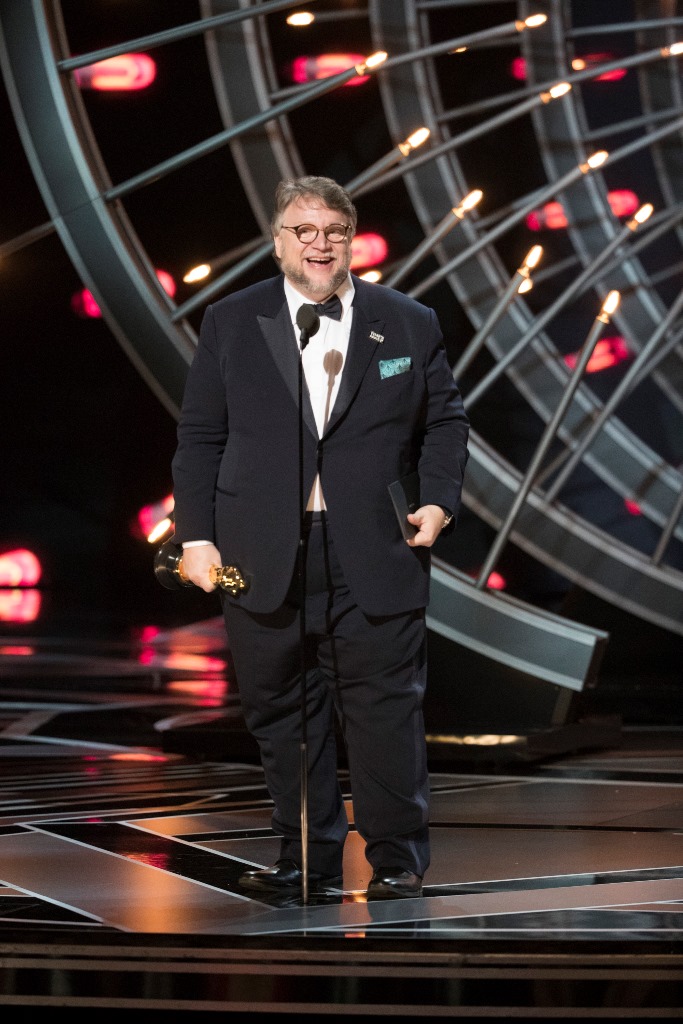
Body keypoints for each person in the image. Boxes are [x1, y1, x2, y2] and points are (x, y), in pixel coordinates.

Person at [171, 175, 469, 900]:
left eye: (333, 231)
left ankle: (396, 860)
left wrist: (437, 501)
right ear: (278, 242)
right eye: (303, 230)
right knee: (280, 712)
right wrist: (196, 537)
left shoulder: (407, 321)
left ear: (351, 241)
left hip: (374, 547)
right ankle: (305, 855)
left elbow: (445, 422)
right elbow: (200, 436)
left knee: (385, 711)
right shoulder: (231, 320)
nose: (319, 244)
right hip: (262, 550)